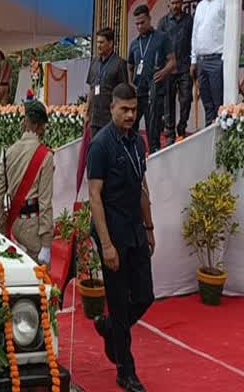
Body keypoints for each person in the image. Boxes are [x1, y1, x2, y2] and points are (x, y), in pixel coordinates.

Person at [87, 83, 155, 392]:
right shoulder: (100, 145)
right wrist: (107, 245)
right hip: (112, 232)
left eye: (134, 109)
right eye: (124, 109)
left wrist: (150, 227)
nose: (130, 115)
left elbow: (142, 185)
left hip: (136, 232)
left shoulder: (138, 143)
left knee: (144, 297)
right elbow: (95, 197)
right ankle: (125, 372)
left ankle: (109, 327)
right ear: (112, 108)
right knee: (117, 300)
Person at [0, 100, 54, 265]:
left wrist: (1, 229)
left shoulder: (9, 152)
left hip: (13, 225)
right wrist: (47, 244)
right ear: (41, 127)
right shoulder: (45, 156)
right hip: (33, 230)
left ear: (25, 122)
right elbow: (45, 202)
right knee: (39, 282)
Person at [127, 5, 175, 154]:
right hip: (138, 92)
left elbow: (173, 61)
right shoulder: (134, 44)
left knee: (152, 127)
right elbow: (130, 65)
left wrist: (164, 72)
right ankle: (133, 153)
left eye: (142, 22)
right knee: (131, 125)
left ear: (149, 19)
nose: (140, 26)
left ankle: (154, 155)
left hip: (155, 90)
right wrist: (130, 82)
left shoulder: (161, 37)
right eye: (137, 24)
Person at [157, 0, 194, 144]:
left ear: (182, 2)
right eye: (172, 3)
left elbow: (195, 41)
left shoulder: (189, 20)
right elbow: (158, 45)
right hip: (168, 69)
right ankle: (170, 133)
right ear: (168, 5)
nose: (175, 5)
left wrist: (194, 62)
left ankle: (182, 127)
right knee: (168, 102)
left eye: (178, 2)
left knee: (186, 100)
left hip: (185, 67)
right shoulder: (163, 22)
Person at [191, 0, 226, 127]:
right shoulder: (200, 6)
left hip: (217, 60)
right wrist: (193, 60)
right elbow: (195, 34)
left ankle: (220, 142)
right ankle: (208, 137)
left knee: (219, 104)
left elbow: (229, 31)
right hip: (201, 62)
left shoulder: (225, 1)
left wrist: (225, 59)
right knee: (207, 104)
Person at [85, 28, 129, 138]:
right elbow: (91, 89)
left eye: (101, 42)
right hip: (95, 118)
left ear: (110, 43)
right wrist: (87, 113)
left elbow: (124, 93)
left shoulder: (119, 64)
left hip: (111, 119)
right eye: (97, 42)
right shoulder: (94, 62)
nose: (98, 45)